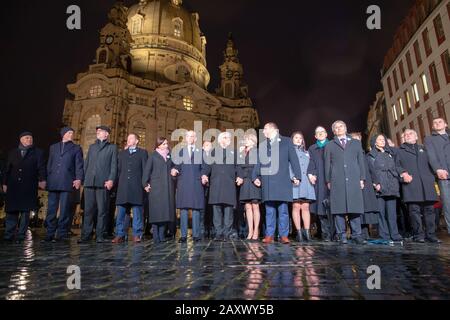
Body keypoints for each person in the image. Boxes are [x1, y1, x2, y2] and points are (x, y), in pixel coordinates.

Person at [252, 122, 301, 244]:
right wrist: (255, 176)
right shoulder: (263, 145)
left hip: (282, 181)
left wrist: (298, 176)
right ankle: (269, 235)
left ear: (273, 129)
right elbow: (259, 162)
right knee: (269, 210)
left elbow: (294, 159)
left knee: (283, 210)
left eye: (265, 129)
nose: (263, 132)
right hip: (268, 182)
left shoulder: (286, 141)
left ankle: (284, 235)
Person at [324, 121, 366, 245]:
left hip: (354, 179)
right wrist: (328, 180)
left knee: (355, 207)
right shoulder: (330, 145)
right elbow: (327, 164)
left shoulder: (356, 143)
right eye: (336, 127)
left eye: (341, 126)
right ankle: (341, 234)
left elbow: (361, 162)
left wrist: (362, 178)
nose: (339, 128)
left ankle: (356, 234)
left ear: (345, 128)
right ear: (334, 131)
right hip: (337, 179)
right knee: (339, 209)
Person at [396, 129, 441, 243]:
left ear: (416, 137)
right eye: (405, 135)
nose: (408, 136)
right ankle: (418, 235)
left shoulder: (424, 149)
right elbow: (396, 166)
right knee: (414, 211)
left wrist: (433, 176)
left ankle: (431, 235)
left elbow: (433, 162)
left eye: (410, 134)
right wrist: (403, 173)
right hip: (411, 184)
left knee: (430, 211)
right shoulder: (399, 151)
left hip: (426, 183)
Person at [2, 132, 46, 243]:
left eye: (31, 138)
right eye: (27, 138)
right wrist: (4, 183)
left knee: (25, 212)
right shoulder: (13, 152)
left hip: (28, 185)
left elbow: (41, 167)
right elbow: (7, 169)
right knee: (11, 211)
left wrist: (42, 180)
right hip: (13, 186)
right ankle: (8, 234)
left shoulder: (38, 152)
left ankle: (21, 236)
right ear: (21, 139)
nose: (29, 140)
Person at [44, 127, 84, 242]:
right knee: (51, 208)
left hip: (67, 181)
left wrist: (78, 179)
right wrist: (47, 178)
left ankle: (62, 233)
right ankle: (49, 233)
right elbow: (49, 164)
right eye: (69, 133)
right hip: (54, 181)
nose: (71, 134)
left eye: (72, 132)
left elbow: (79, 165)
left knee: (65, 208)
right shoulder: (53, 147)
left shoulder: (76, 148)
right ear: (63, 134)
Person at [79, 125, 117, 243]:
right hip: (90, 182)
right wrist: (83, 178)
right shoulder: (92, 147)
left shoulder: (112, 148)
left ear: (106, 134)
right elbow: (86, 164)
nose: (98, 132)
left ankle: (100, 235)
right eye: (98, 131)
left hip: (103, 183)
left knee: (102, 211)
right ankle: (86, 235)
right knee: (88, 210)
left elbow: (113, 166)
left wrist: (111, 179)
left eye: (100, 131)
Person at [201, 132, 238, 242]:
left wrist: (240, 176)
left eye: (229, 138)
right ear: (220, 140)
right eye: (226, 138)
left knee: (228, 210)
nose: (228, 140)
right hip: (216, 184)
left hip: (229, 184)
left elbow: (238, 167)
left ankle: (227, 232)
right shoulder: (213, 152)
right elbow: (207, 166)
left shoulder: (234, 153)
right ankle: (218, 233)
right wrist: (204, 175)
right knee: (216, 209)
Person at [112, 133, 148, 244]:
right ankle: (120, 234)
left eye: (131, 138)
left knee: (137, 212)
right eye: (127, 138)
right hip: (123, 187)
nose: (128, 140)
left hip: (136, 186)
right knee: (121, 213)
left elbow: (145, 170)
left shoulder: (142, 153)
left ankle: (137, 234)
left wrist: (145, 184)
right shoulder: (122, 153)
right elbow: (118, 170)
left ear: (137, 141)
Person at [367, 134, 402, 242]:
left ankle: (395, 234)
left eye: (383, 139)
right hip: (379, 186)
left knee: (392, 213)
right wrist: (375, 183)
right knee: (381, 213)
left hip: (391, 185)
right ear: (375, 142)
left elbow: (396, 166)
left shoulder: (390, 153)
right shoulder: (371, 155)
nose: (382, 141)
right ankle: (384, 235)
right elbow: (371, 171)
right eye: (379, 139)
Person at [171, 131, 205, 243]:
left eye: (192, 136)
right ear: (185, 138)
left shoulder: (201, 151)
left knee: (196, 209)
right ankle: (183, 235)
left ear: (195, 138)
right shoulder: (180, 151)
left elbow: (205, 167)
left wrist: (204, 175)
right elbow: (177, 165)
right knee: (183, 209)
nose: (190, 138)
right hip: (183, 183)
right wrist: (175, 169)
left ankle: (196, 235)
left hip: (196, 182)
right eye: (188, 136)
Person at [143, 137, 176, 244]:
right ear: (158, 145)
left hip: (167, 188)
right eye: (163, 144)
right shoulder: (153, 156)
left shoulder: (170, 156)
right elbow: (147, 171)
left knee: (165, 212)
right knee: (156, 212)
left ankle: (162, 235)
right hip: (156, 187)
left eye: (166, 143)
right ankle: (156, 235)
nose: (166, 145)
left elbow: (174, 167)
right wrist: (145, 184)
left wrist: (174, 171)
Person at [351, 132, 379, 240]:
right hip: (355, 185)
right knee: (358, 209)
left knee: (367, 209)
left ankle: (367, 232)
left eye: (358, 139)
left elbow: (372, 170)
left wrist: (375, 181)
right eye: (354, 139)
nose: (356, 141)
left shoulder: (365, 155)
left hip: (366, 185)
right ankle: (360, 233)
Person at [424, 117, 450, 235]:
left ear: (446, 124)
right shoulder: (429, 139)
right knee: (448, 203)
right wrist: (438, 169)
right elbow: (431, 155)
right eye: (435, 123)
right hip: (444, 174)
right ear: (433, 127)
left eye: (440, 122)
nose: (437, 124)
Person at [307, 126, 334, 241]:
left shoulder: (333, 145)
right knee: (321, 209)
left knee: (335, 208)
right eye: (318, 132)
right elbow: (311, 162)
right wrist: (310, 174)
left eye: (322, 131)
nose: (321, 133)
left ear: (326, 133)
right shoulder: (312, 148)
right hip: (320, 181)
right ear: (315, 136)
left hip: (333, 179)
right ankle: (326, 234)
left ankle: (337, 233)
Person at [290, 131, 316, 242]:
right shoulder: (289, 152)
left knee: (305, 207)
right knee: (296, 207)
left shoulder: (307, 152)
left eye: (300, 138)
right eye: (296, 138)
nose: (298, 139)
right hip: (296, 182)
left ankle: (307, 233)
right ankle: (299, 233)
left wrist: (313, 175)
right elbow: (288, 166)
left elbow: (312, 166)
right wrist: (292, 177)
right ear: (292, 139)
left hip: (306, 183)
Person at [237, 133, 262, 241]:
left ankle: (256, 230)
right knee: (247, 207)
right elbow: (238, 166)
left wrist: (257, 178)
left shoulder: (258, 152)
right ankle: (250, 230)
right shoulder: (242, 152)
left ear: (253, 141)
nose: (246, 141)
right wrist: (239, 176)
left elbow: (259, 166)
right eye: (245, 139)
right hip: (245, 181)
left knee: (255, 206)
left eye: (248, 139)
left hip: (254, 180)